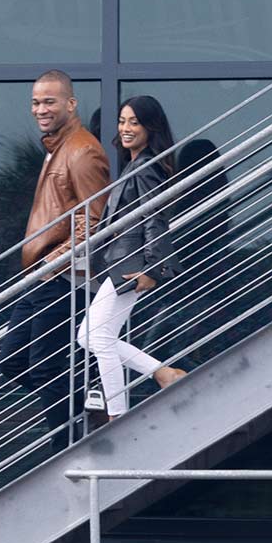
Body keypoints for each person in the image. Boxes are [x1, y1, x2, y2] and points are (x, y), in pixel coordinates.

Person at [0, 71, 112, 435]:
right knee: (14, 361)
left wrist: (54, 260)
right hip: (41, 276)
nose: (40, 109)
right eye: (35, 102)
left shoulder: (82, 152)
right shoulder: (56, 148)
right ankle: (87, 410)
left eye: (49, 101)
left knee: (45, 367)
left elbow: (95, 218)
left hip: (61, 276)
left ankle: (68, 444)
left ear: (71, 104)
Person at [77, 96, 188, 423]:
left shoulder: (146, 165)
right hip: (123, 263)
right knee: (89, 336)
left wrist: (152, 268)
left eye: (134, 122)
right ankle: (163, 373)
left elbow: (154, 217)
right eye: (123, 121)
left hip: (132, 264)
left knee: (97, 337)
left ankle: (117, 416)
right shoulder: (137, 163)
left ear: (150, 127)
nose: (125, 128)